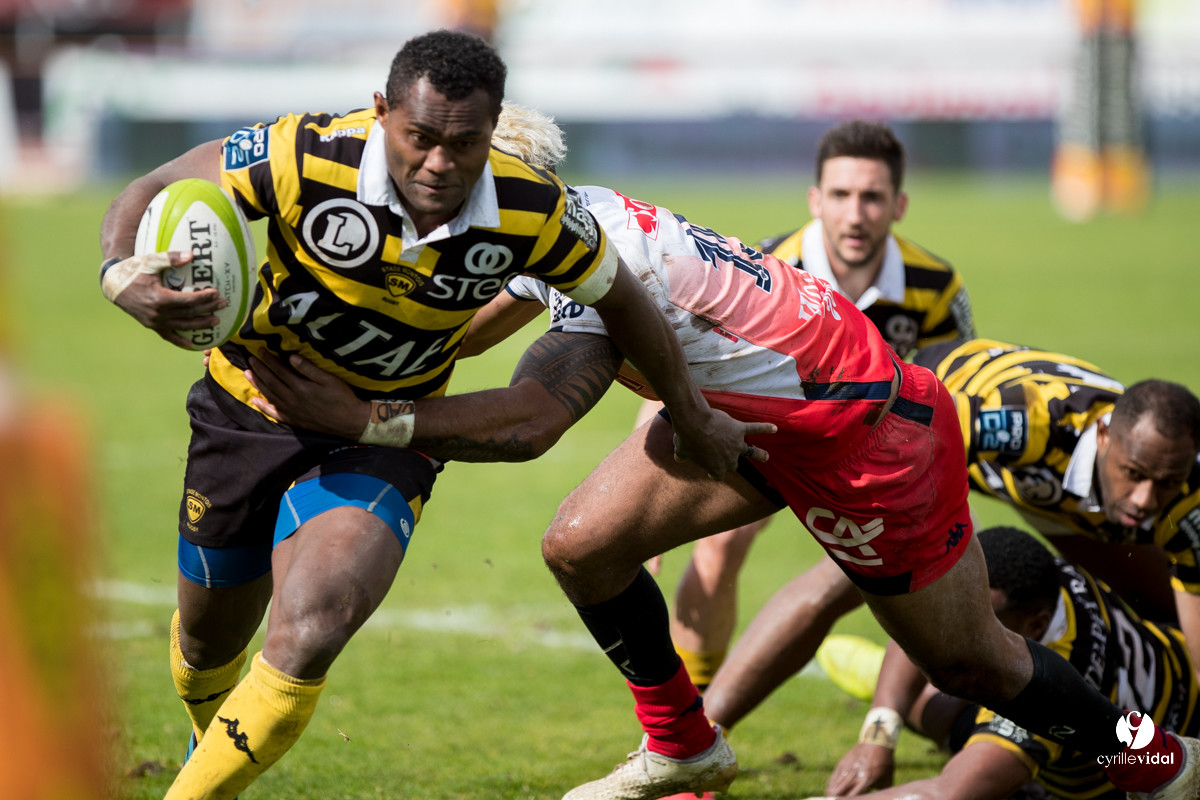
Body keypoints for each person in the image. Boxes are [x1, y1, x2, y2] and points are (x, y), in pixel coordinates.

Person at [248, 109, 1199, 800]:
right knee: (581, 544)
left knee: (974, 663)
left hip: (868, 435)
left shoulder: (586, 245)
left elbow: (531, 420)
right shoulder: (552, 225)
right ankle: (683, 747)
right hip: (752, 421)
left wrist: (373, 420)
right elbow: (462, 331)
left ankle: (1156, 757)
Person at [96, 34, 761, 799]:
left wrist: (691, 411)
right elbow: (161, 182)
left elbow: (622, 297)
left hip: (380, 436)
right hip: (247, 407)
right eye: (421, 137)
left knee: (313, 625)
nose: (440, 163)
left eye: (465, 142)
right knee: (209, 640)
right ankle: (205, 743)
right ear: (383, 114)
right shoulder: (303, 151)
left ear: (493, 128)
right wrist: (121, 273)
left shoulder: (533, 209)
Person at [700, 337, 1200, 747]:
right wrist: (882, 726)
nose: (1145, 498)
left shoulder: (1184, 488)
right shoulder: (1023, 424)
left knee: (1157, 604)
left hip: (1046, 484)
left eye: (1165, 482)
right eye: (1134, 474)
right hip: (926, 430)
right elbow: (914, 452)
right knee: (853, 577)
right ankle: (699, 741)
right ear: (1107, 436)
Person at [660, 120, 976, 699]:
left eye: (873, 197)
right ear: (815, 200)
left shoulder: (934, 286)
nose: (856, 214)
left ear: (899, 204)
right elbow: (684, 368)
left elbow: (951, 388)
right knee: (720, 548)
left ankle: (902, 708)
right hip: (769, 435)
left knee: (911, 581)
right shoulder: (767, 265)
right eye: (841, 196)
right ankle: (693, 722)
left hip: (870, 455)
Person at [817, 526, 1199, 800]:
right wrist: (880, 733)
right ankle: (893, 696)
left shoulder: (1050, 700)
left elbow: (947, 792)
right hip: (1181, 668)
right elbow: (937, 617)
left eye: (983, 614)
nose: (963, 619)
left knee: (944, 707)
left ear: (1034, 623)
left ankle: (892, 687)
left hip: (1152, 759)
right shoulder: (1050, 578)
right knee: (946, 644)